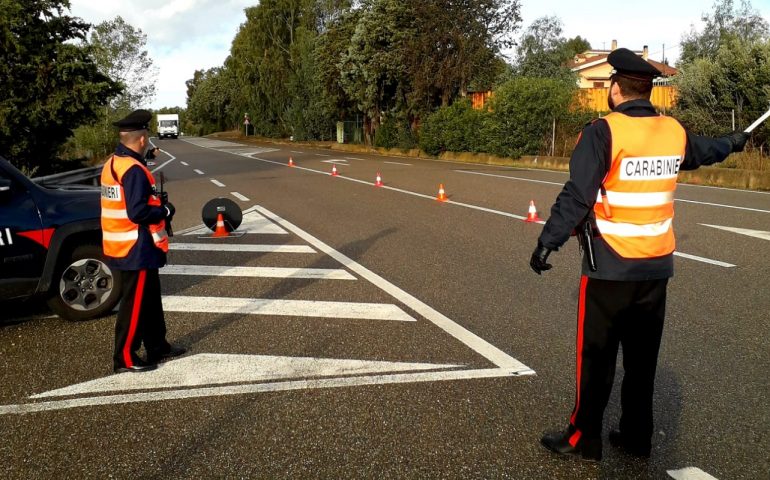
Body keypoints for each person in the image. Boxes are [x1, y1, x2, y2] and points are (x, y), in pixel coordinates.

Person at [530, 48, 750, 462]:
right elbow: (705, 151)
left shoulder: (603, 132)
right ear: (648, 91)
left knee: (595, 358)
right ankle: (636, 437)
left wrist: (549, 241)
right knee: (642, 360)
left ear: (614, 89)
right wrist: (733, 143)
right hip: (656, 268)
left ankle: (584, 439)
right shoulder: (672, 131)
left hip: (610, 266)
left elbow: (579, 193)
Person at [100, 109, 186, 373]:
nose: (148, 142)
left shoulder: (114, 162)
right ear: (141, 139)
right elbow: (138, 211)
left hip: (125, 244)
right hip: (135, 246)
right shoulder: (134, 171)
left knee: (149, 299)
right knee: (133, 304)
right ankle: (124, 358)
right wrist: (165, 211)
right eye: (146, 138)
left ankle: (157, 345)